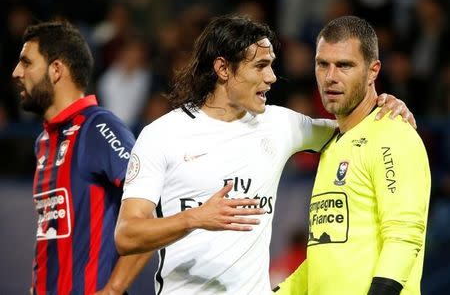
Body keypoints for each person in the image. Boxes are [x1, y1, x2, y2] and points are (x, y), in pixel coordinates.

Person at [114, 15, 415, 295]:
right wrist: (195, 217)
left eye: (271, 65)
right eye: (259, 66)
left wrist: (385, 104)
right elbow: (127, 235)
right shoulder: (162, 135)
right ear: (223, 69)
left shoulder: (280, 124)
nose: (271, 77)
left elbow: (355, 124)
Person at [273, 16, 430, 295]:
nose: (331, 76)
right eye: (323, 64)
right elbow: (325, 254)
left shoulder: (394, 135)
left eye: (344, 65)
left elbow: (404, 237)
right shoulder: (332, 144)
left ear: (373, 71)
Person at [12, 21, 150, 294]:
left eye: (26, 62)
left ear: (56, 70)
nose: (17, 72)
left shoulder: (99, 128)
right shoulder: (43, 141)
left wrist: (113, 289)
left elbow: (151, 208)